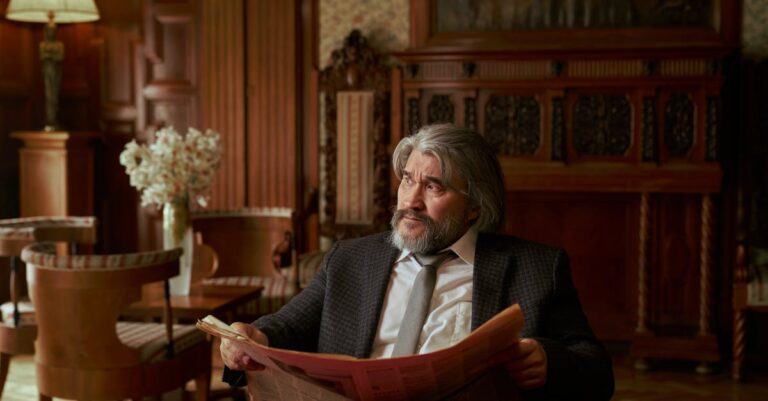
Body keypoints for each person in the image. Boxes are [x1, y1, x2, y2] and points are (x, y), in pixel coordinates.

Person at [221, 123, 614, 400]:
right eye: (408, 180)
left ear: (475, 206)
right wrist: (252, 337)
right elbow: (287, 325)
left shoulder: (536, 269)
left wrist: (549, 363)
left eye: (433, 186)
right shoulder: (351, 259)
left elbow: (597, 372)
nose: (411, 200)